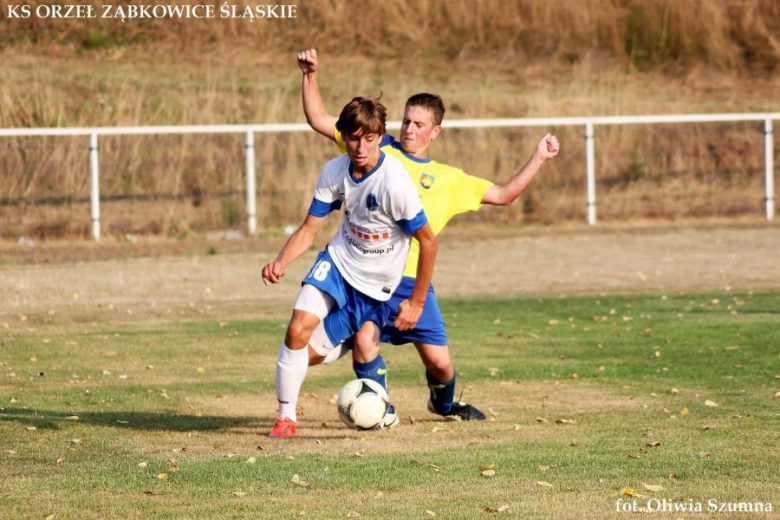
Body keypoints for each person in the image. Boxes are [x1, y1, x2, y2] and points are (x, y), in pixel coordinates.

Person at [297, 49, 560, 425]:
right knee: (363, 343)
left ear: (435, 131)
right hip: (369, 277)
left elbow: (504, 194)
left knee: (440, 363)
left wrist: (538, 158)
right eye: (406, 121)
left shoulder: (449, 178)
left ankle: (443, 404)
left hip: (413, 283)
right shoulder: (377, 148)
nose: (409, 129)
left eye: (419, 124)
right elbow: (319, 119)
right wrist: (311, 75)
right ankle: (379, 411)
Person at [262, 95, 438, 438]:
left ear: (379, 136)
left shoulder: (394, 183)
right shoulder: (334, 171)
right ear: (344, 135)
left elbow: (429, 242)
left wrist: (416, 302)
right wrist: (282, 261)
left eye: (370, 139)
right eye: (354, 138)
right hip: (338, 263)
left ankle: (340, 345)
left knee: (307, 357)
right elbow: (310, 228)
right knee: (295, 332)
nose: (361, 147)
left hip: (375, 289)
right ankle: (286, 419)